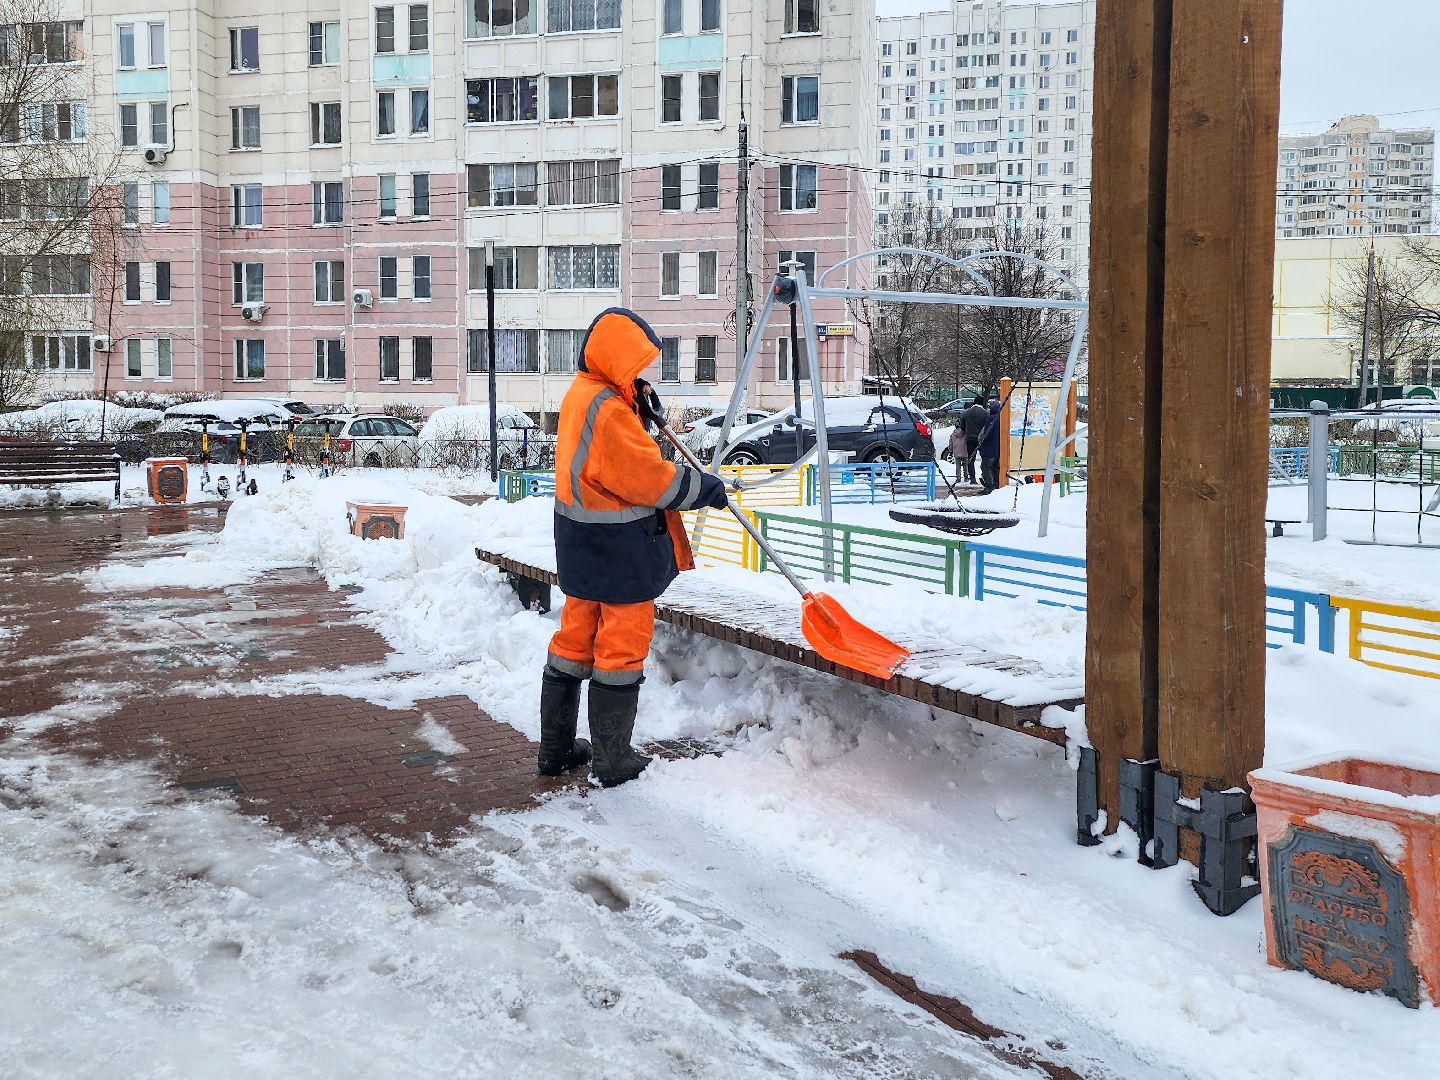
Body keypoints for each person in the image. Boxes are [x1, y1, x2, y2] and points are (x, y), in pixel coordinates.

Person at [540, 307, 729, 787]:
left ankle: (556, 749)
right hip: (619, 549)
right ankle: (611, 758)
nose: (640, 373)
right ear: (616, 358)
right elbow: (649, 479)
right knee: (621, 648)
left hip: (581, 543)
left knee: (573, 640)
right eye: (635, 366)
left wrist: (636, 401)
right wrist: (704, 489)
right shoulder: (608, 412)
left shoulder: (586, 393)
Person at [960, 396, 989, 484]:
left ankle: (972, 478)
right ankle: (985, 476)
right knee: (984, 458)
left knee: (971, 459)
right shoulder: (985, 413)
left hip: (970, 438)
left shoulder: (966, 413)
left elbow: (962, 427)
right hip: (982, 439)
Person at [978, 397, 1003, 494]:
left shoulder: (990, 419)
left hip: (989, 449)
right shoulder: (1001, 418)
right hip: (998, 449)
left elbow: (984, 434)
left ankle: (989, 486)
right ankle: (996, 484)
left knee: (986, 467)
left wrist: (981, 445)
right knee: (995, 467)